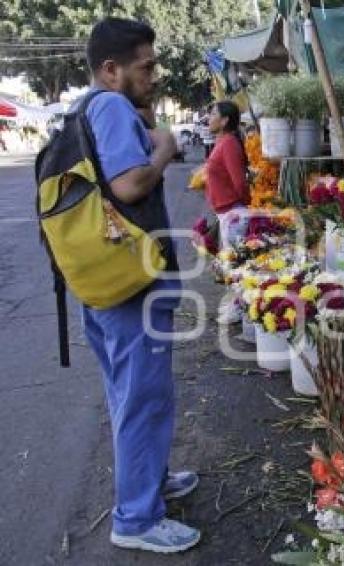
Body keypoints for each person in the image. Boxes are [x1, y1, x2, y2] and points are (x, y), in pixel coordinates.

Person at [80, 18, 200, 553]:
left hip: (107, 280)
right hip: (131, 287)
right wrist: (166, 149)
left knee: (130, 394)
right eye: (145, 66)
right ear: (111, 70)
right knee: (142, 397)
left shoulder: (96, 106)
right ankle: (136, 519)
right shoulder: (107, 105)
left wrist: (149, 123)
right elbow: (130, 183)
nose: (155, 74)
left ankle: (148, 484)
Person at [204, 100, 250, 247]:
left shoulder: (229, 143)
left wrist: (244, 207)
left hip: (232, 214)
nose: (209, 118)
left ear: (224, 121)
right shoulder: (222, 142)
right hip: (225, 214)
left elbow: (240, 183)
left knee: (232, 263)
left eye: (213, 114)